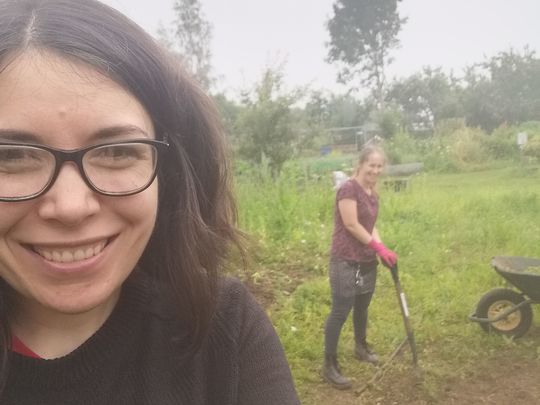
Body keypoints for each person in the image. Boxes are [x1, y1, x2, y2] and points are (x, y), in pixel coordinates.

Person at [0, 0, 300, 403]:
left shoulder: (223, 333)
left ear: (169, 170)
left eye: (118, 151)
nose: (71, 207)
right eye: (12, 157)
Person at [322, 144, 398, 390]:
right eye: (371, 165)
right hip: (345, 258)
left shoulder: (372, 191)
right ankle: (329, 364)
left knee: (362, 306)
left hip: (366, 259)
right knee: (341, 309)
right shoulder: (348, 189)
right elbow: (352, 224)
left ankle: (360, 347)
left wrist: (382, 247)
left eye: (379, 166)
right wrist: (378, 248)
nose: (375, 170)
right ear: (361, 164)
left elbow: (370, 224)